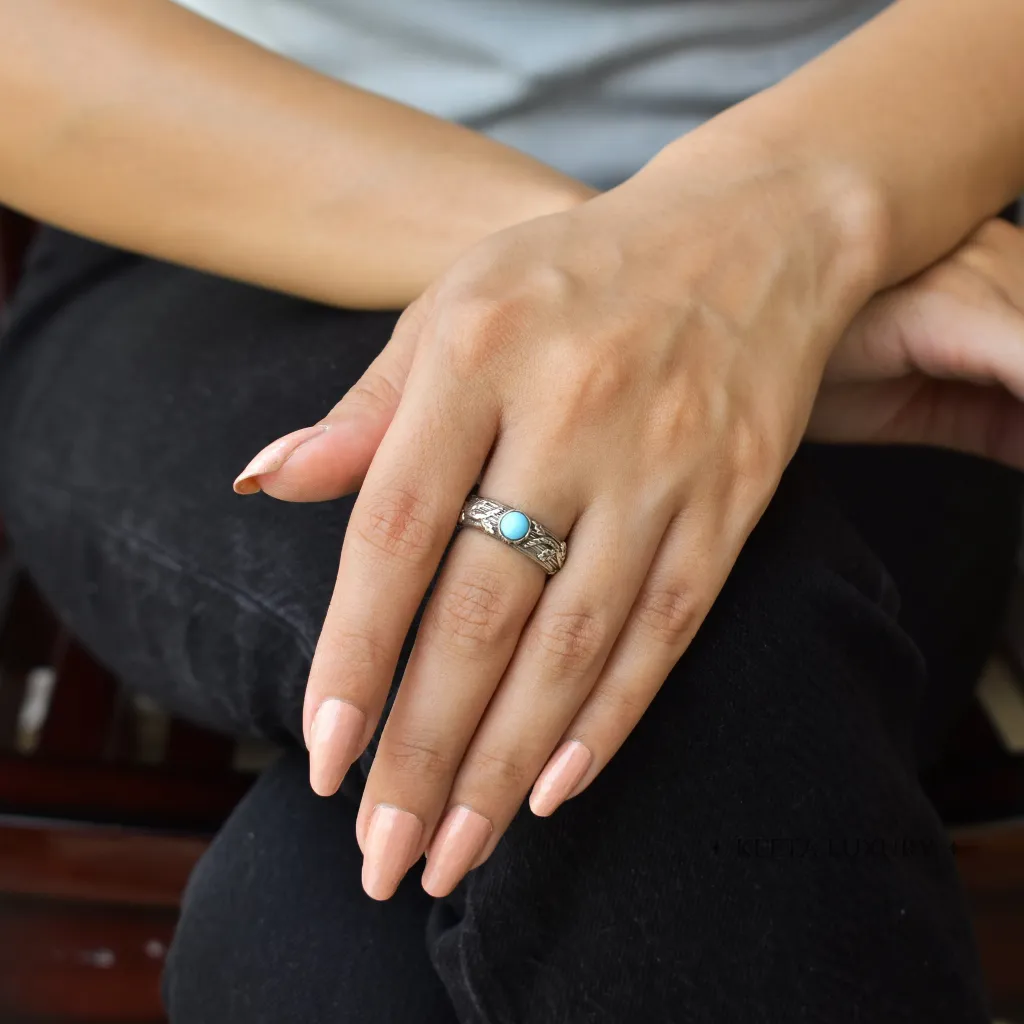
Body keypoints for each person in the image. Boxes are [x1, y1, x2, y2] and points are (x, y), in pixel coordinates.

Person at [1, 1, 1024, 1020]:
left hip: (879, 187)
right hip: (195, 201)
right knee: (672, 633)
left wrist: (783, 230)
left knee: (320, 954)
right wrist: (681, 282)